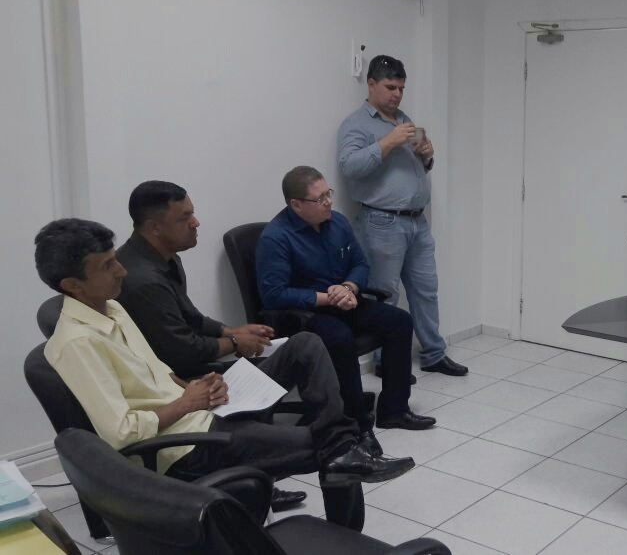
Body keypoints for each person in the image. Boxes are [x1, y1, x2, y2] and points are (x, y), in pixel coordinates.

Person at [35, 218, 415, 529]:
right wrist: (188, 403)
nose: (121, 270)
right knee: (330, 451)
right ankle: (343, 468)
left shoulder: (112, 308)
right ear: (72, 285)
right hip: (187, 446)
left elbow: (156, 374)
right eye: (107, 266)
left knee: (305, 344)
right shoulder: (77, 343)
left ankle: (341, 443)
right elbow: (119, 433)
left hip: (202, 410)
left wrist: (196, 385)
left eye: (115, 259)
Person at [115, 180, 325, 511]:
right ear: (154, 227)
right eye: (184, 217)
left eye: (193, 213)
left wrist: (231, 330)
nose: (196, 223)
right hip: (189, 383)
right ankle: (324, 448)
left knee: (305, 345)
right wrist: (235, 343)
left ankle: (331, 437)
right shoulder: (142, 279)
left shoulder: (165, 257)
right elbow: (182, 351)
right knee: (292, 371)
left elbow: (192, 318)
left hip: (197, 372)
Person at [256, 166, 435, 431]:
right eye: (319, 199)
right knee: (339, 338)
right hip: (305, 315)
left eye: (328, 193)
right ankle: (354, 422)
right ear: (296, 204)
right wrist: (329, 298)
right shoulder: (276, 238)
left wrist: (348, 287)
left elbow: (360, 264)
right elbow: (274, 294)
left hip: (344, 301)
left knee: (399, 321)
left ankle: (394, 411)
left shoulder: (337, 222)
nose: (328, 202)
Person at [337, 54, 468, 378]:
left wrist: (427, 156)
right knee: (385, 294)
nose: (397, 94)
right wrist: (387, 142)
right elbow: (349, 167)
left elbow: (419, 166)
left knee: (426, 290)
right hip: (382, 222)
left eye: (401, 88)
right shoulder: (356, 124)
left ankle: (434, 354)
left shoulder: (404, 120)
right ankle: (385, 361)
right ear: (371, 84)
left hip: (417, 222)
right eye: (390, 87)